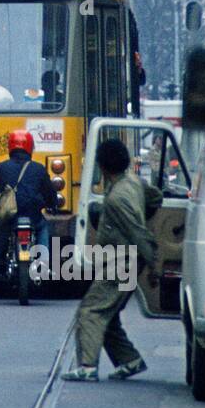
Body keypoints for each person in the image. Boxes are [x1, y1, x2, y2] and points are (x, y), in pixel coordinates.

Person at [61, 139, 159, 382]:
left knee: (91, 311)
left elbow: (138, 232)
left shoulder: (117, 198)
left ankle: (87, 366)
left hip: (121, 264)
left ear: (102, 167)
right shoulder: (133, 183)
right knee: (108, 313)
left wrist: (154, 266)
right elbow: (155, 197)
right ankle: (130, 360)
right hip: (126, 262)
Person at [0, 130, 57, 304]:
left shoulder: (1, 167)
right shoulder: (38, 168)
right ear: (30, 148)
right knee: (43, 228)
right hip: (33, 216)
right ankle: (43, 263)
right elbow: (50, 193)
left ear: (10, 147)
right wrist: (52, 205)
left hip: (9, 217)